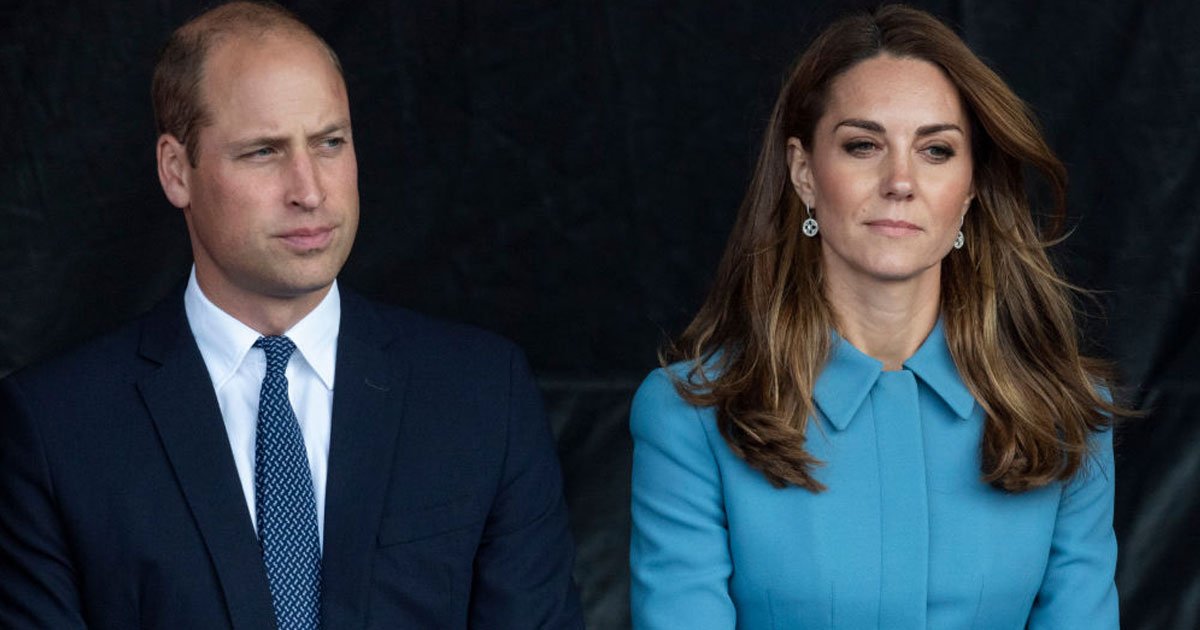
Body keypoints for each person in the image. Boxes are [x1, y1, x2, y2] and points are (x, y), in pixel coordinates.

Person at [0, 2, 583, 628]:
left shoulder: (483, 396)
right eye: (263, 152)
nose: (309, 189)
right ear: (176, 171)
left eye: (330, 142)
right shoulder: (55, 428)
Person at [630, 5, 1122, 629]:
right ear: (804, 172)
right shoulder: (689, 417)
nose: (900, 181)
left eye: (936, 150)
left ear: (970, 189)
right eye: (863, 145)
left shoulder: (1068, 414)